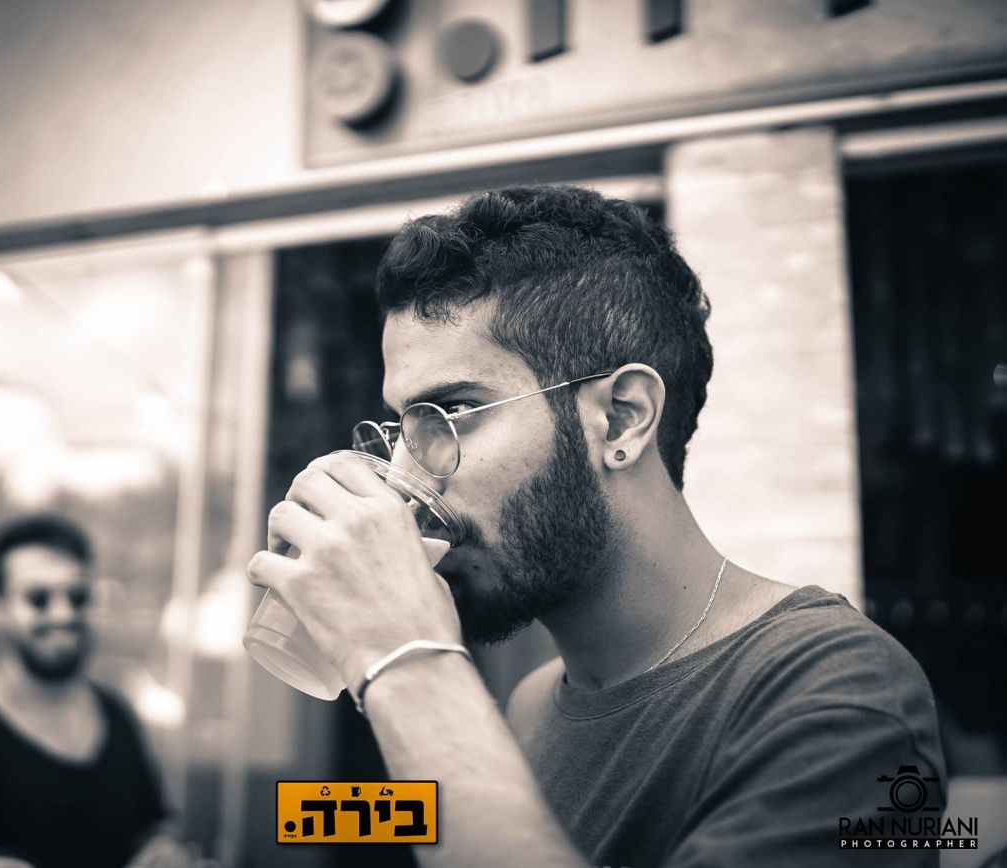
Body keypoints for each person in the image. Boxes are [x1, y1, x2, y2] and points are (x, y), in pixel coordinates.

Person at [247, 186, 945, 867]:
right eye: (402, 426)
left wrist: (404, 658)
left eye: (450, 414)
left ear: (620, 419)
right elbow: (357, 819)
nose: (407, 471)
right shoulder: (532, 705)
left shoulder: (836, 690)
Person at [0, 515, 186, 868]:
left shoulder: (117, 716)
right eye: (38, 598)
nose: (63, 613)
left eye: (77, 596)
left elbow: (152, 827)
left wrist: (162, 849)